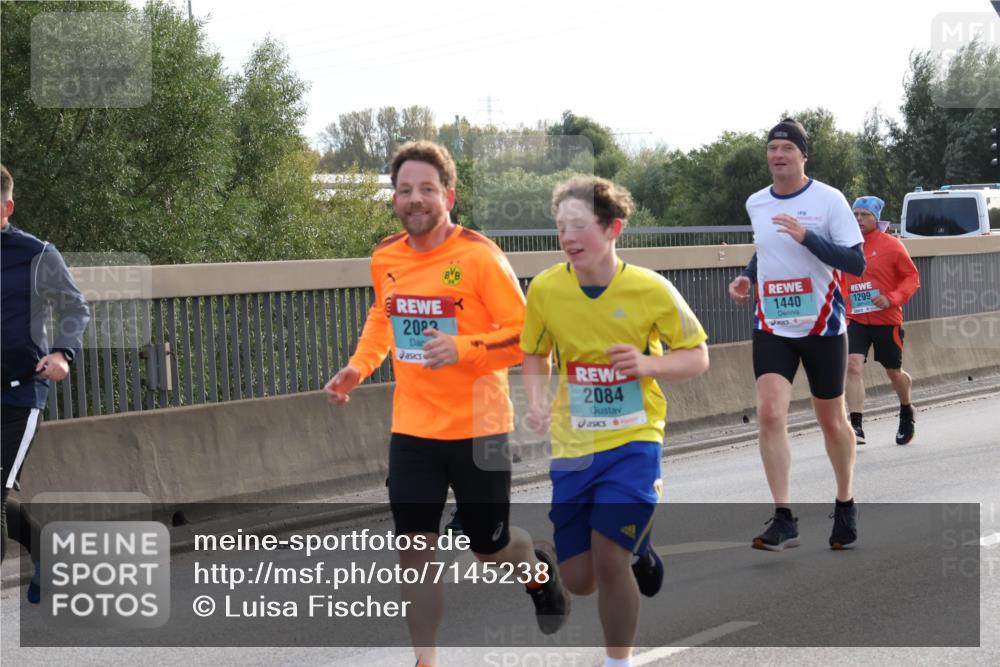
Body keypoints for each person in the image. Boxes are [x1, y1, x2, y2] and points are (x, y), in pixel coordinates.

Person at [323, 141, 568, 667]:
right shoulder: (386, 256)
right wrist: (359, 366)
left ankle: (537, 569)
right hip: (413, 430)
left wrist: (462, 348)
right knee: (414, 554)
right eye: (405, 190)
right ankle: (426, 659)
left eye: (427, 190)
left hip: (479, 428)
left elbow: (527, 336)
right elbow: (383, 318)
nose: (416, 199)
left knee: (489, 550)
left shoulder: (479, 256)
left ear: (448, 196)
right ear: (395, 199)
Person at [522, 176, 709, 667]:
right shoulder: (545, 289)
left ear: (613, 229)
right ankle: (641, 550)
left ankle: (618, 661)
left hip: (634, 439)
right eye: (561, 227)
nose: (567, 237)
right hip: (573, 445)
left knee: (609, 560)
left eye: (579, 225)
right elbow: (534, 353)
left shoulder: (649, 289)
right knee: (581, 579)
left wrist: (648, 365)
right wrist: (537, 401)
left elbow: (697, 357)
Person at [727, 119, 866, 551]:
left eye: (787, 147)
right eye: (772, 148)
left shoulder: (829, 200)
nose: (778, 154)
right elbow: (766, 248)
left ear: (804, 156)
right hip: (772, 325)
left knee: (832, 420)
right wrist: (748, 277)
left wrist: (809, 238)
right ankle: (784, 517)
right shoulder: (756, 202)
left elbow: (855, 261)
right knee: (769, 413)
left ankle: (845, 502)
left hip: (823, 325)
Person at [1, 164, 90, 600]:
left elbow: (75, 307)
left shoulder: (35, 254)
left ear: (7, 206)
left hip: (19, 394)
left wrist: (62, 352)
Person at [842, 196, 920, 445]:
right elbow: (838, 281)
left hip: (886, 319)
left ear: (876, 218)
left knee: (894, 372)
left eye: (864, 215)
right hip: (856, 319)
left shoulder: (892, 245)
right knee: (852, 365)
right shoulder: (846, 246)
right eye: (855, 214)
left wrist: (892, 298)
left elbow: (911, 278)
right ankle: (855, 425)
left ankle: (906, 409)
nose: (859, 219)